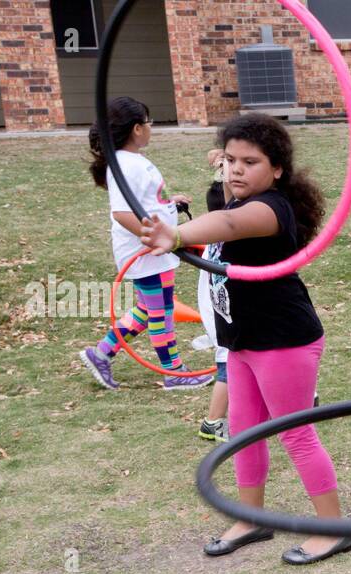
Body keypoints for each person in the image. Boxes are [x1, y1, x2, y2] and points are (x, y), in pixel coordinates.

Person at [139, 114, 351, 566]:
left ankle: (334, 529)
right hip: (242, 340)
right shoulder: (235, 199)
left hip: (284, 341)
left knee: (294, 433)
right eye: (230, 160)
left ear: (276, 170)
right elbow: (220, 210)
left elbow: (230, 227)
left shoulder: (270, 209)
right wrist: (190, 213)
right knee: (243, 430)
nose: (236, 170)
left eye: (250, 162)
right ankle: (251, 516)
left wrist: (176, 234)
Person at [80, 95, 212, 391]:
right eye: (149, 122)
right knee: (161, 312)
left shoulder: (132, 161)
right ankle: (174, 372)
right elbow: (122, 212)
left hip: (153, 249)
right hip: (146, 251)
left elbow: (145, 201)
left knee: (147, 308)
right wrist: (152, 237)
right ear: (137, 129)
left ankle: (100, 354)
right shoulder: (126, 165)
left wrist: (169, 203)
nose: (152, 128)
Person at [197, 148, 231, 441]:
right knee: (229, 368)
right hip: (224, 318)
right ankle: (212, 422)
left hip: (228, 316)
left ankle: (305, 399)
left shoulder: (218, 241)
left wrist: (222, 163)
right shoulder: (224, 245)